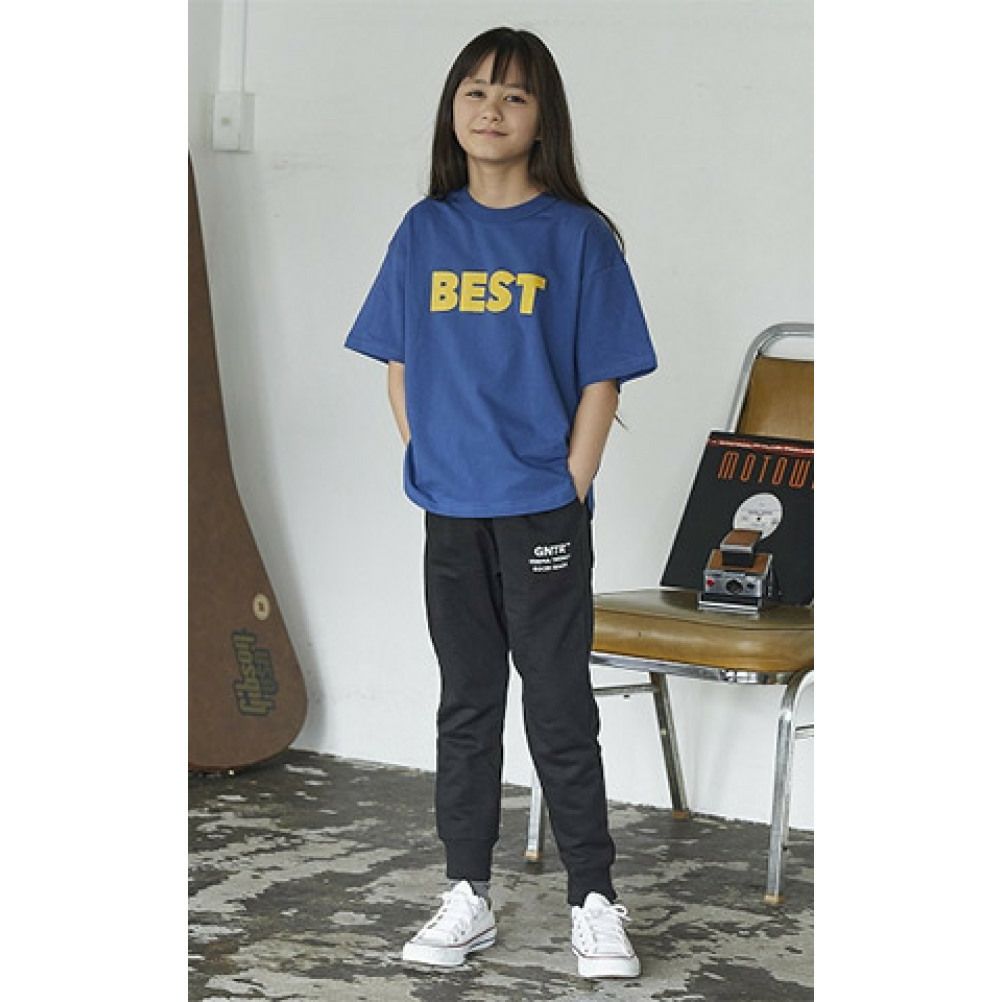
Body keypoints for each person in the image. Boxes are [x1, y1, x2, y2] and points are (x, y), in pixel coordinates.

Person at [344, 26, 657, 979]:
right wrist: (433, 456)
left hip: (541, 510)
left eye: (515, 96)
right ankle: (465, 894)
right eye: (476, 91)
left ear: (542, 118)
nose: (492, 109)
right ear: (453, 109)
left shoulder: (577, 236)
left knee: (558, 705)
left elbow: (604, 374)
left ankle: (594, 898)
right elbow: (399, 360)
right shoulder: (424, 230)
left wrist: (571, 482)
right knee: (467, 703)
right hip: (452, 507)